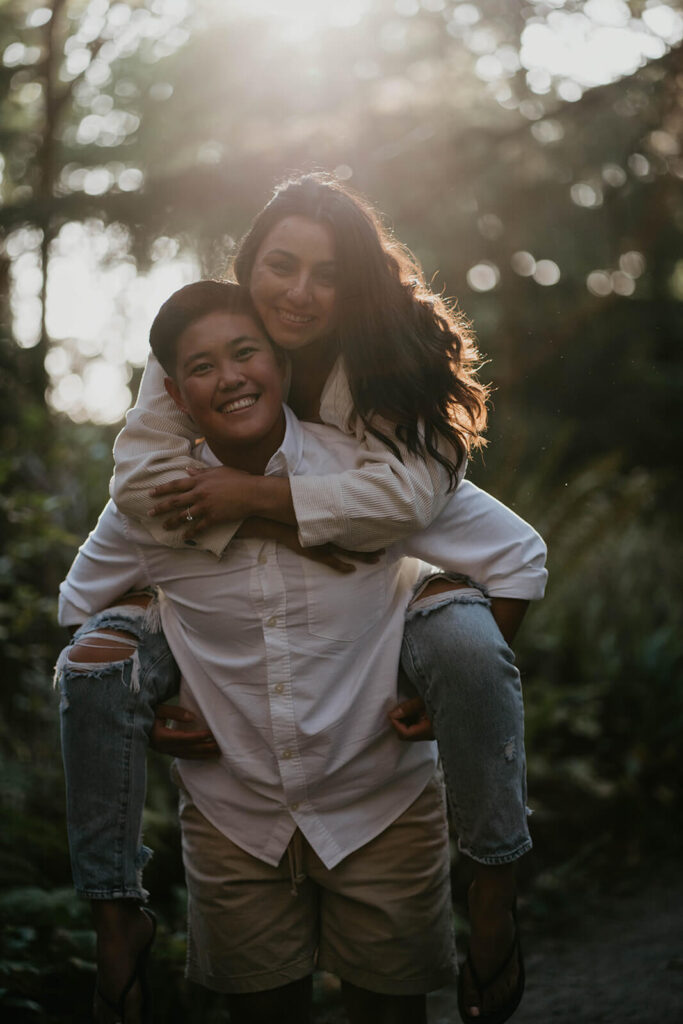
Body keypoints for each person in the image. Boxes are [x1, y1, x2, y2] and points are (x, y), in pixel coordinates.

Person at [81, 175, 547, 1023]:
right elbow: (143, 485)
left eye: (325, 273)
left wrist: (254, 504)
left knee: (464, 646)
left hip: (378, 767)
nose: (298, 293)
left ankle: (493, 888)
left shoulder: (390, 363)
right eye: (280, 265)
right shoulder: (205, 339)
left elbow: (416, 511)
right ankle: (113, 917)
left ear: (355, 284)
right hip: (240, 801)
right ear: (246, 267)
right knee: (96, 660)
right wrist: (165, 681)